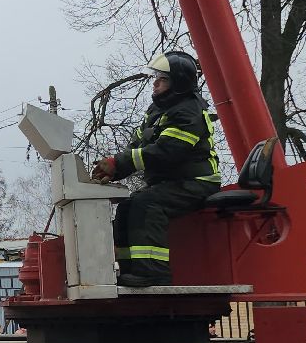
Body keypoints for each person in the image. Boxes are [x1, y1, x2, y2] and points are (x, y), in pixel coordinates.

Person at [90, 51, 224, 287]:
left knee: (147, 205)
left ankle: (153, 272)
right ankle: (130, 271)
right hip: (174, 183)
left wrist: (118, 163)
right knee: (127, 207)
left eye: (162, 79)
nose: (155, 83)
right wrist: (114, 168)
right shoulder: (157, 111)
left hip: (197, 182)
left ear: (178, 83)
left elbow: (167, 151)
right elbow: (139, 146)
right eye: (156, 78)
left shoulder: (188, 111)